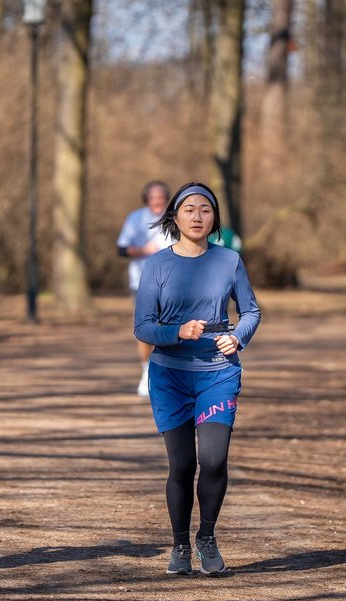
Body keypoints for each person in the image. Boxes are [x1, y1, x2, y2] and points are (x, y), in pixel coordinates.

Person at [134, 182, 261, 575]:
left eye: (205, 209)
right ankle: (179, 546)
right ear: (175, 216)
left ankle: (206, 537)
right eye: (189, 209)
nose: (197, 216)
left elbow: (251, 311)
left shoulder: (229, 260)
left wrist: (237, 337)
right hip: (170, 377)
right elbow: (142, 327)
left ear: (214, 218)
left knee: (214, 460)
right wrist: (177, 332)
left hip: (217, 374)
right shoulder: (157, 264)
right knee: (183, 466)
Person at [117, 180, 175, 397]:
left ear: (166, 199)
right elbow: (121, 249)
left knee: (170, 326)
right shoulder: (136, 219)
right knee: (144, 328)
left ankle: (169, 373)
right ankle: (146, 371)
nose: (157, 201)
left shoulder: (176, 218)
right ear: (146, 199)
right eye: (152, 197)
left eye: (161, 197)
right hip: (141, 281)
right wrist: (142, 250)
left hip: (172, 282)